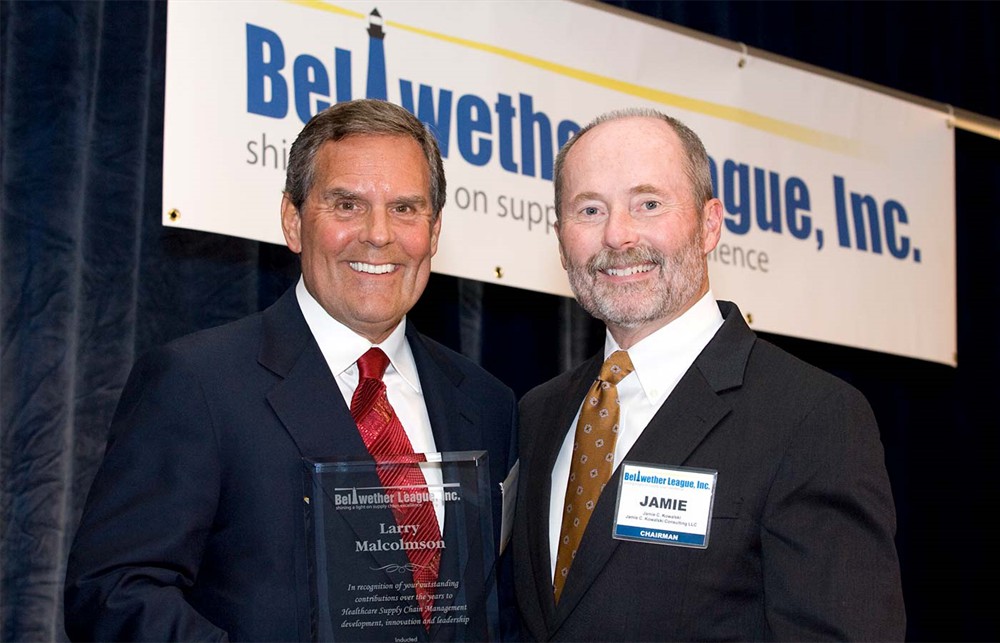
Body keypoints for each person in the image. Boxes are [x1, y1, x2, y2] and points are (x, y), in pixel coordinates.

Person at [65, 99, 519, 641]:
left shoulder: (489, 404)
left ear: (435, 230)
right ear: (293, 221)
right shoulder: (197, 383)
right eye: (347, 205)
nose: (378, 234)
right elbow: (112, 591)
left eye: (405, 208)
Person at [512, 108, 905, 641]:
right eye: (589, 209)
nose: (618, 235)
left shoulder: (812, 417)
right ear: (561, 240)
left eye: (648, 203)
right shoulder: (540, 413)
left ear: (709, 224)